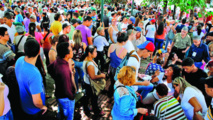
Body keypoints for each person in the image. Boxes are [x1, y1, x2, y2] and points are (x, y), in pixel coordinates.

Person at [15, 39, 48, 119]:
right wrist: (43, 107)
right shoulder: (34, 74)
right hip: (34, 111)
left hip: (24, 104)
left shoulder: (19, 60)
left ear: (24, 50)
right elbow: (37, 102)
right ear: (38, 52)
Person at [48, 42, 76, 120]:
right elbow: (67, 90)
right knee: (69, 117)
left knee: (61, 113)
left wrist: (57, 78)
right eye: (71, 50)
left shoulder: (58, 60)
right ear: (67, 55)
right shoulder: (64, 70)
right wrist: (72, 97)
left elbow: (49, 68)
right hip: (66, 98)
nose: (72, 51)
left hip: (59, 94)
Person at [82, 45, 106, 118]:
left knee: (88, 95)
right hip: (90, 84)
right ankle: (96, 111)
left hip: (86, 81)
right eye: (95, 52)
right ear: (89, 53)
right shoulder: (89, 64)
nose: (96, 53)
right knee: (94, 98)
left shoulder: (88, 59)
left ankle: (86, 108)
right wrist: (102, 76)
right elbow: (92, 77)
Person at [107, 32, 128, 98]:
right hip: (118, 71)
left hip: (111, 68)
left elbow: (108, 55)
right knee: (118, 85)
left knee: (112, 83)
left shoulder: (112, 45)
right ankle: (117, 98)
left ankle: (109, 97)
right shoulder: (124, 50)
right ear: (124, 42)